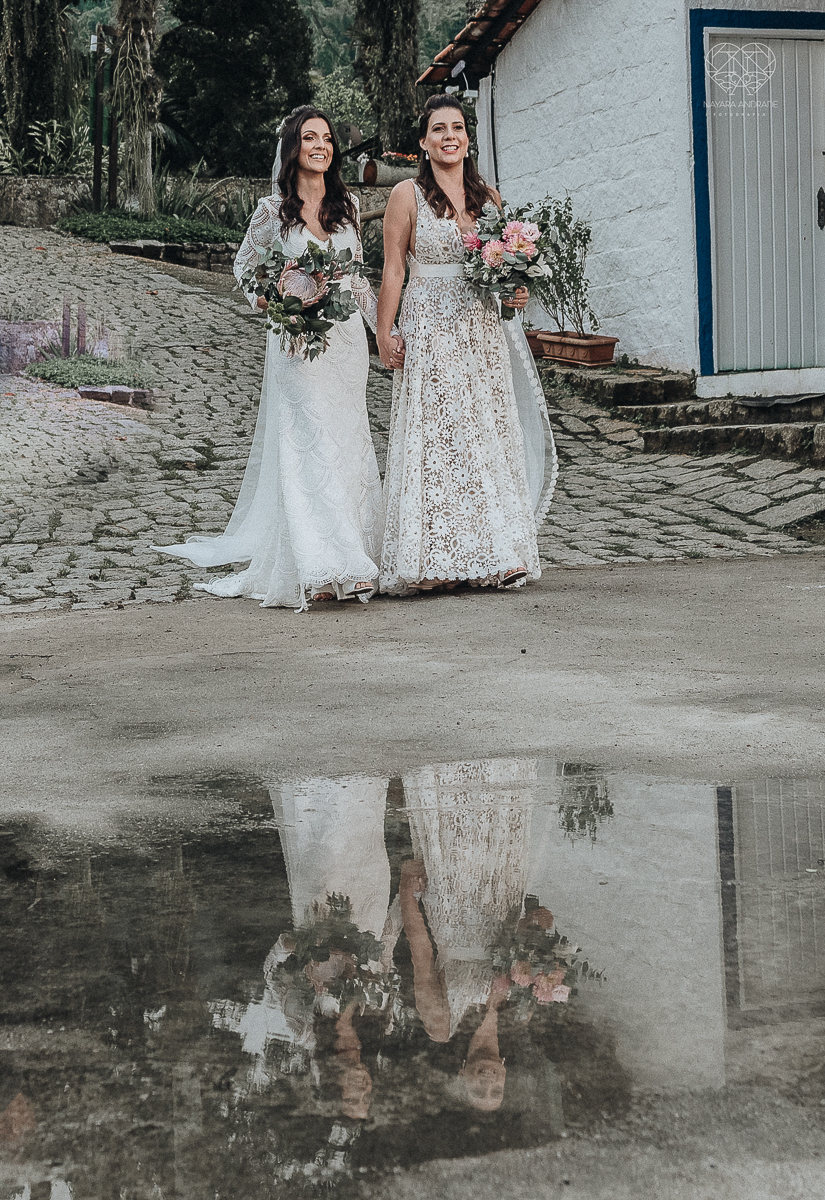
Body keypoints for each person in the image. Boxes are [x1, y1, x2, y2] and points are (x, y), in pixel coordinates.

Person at [155, 106, 404, 611]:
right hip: (295, 342)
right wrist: (273, 303)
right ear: (293, 147)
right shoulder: (273, 212)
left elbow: (356, 278)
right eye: (310, 138)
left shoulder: (348, 206)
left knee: (345, 440)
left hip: (345, 344)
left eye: (328, 139)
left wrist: (382, 332)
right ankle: (319, 565)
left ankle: (355, 552)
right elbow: (244, 267)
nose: (321, 146)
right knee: (307, 440)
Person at [376, 95, 557, 595]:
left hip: (481, 327)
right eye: (438, 129)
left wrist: (516, 294)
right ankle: (432, 560)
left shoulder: (491, 199)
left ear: (468, 139)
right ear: (423, 141)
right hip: (430, 323)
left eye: (457, 127)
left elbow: (506, 275)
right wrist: (383, 331)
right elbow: (393, 268)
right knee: (436, 439)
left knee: (485, 431)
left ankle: (498, 554)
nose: (449, 136)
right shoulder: (405, 195)